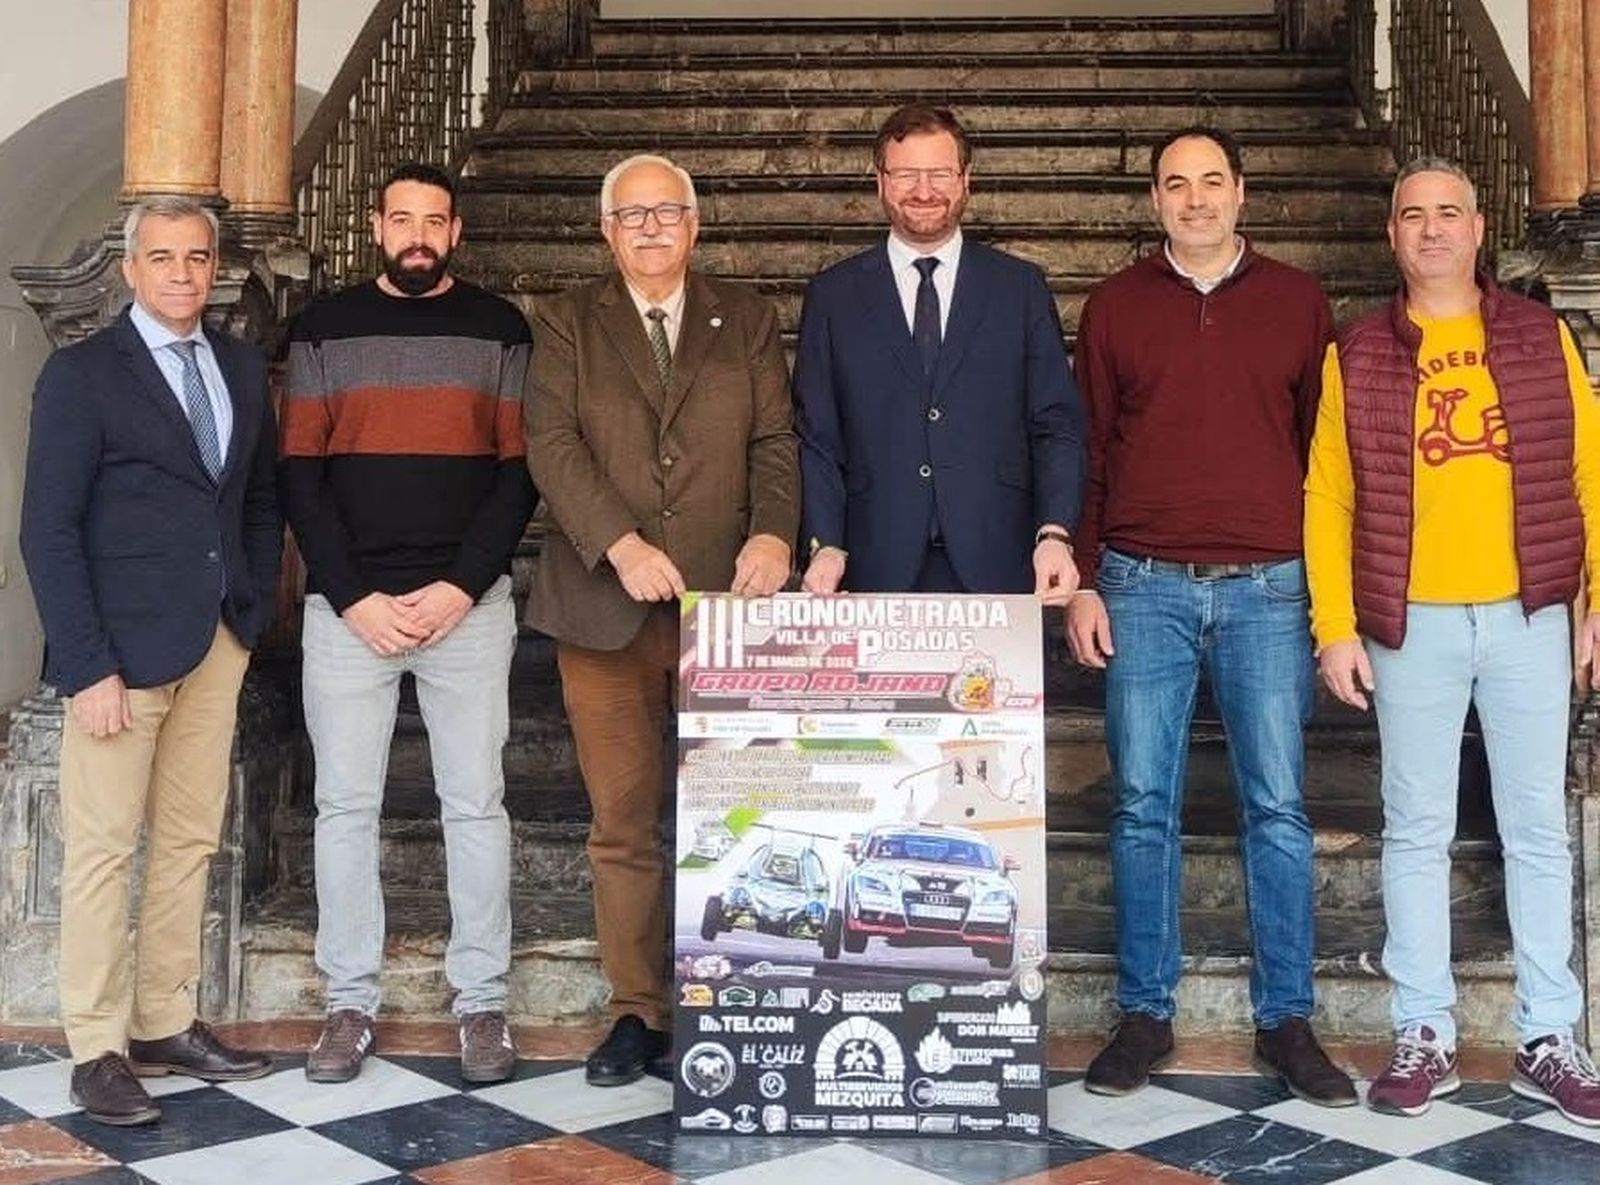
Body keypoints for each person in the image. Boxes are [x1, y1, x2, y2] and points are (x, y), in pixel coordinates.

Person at [1306, 157, 1600, 1125]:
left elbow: (1588, 471)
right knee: (1418, 829)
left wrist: (1594, 602)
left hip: (1529, 615)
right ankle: (1422, 1031)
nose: (1431, 230)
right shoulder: (1358, 352)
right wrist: (1335, 625)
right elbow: (1329, 496)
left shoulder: (1537, 336)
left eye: (1449, 214)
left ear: (1479, 230)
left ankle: (1548, 1036)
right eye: (1412, 215)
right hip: (1412, 621)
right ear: (1391, 235)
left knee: (1536, 829)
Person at [1067, 126, 1355, 1106]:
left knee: (1275, 806)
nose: (1194, 200)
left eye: (1211, 182)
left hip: (1269, 587)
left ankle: (1287, 1019)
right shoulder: (1114, 307)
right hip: (1141, 583)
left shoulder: (1298, 303)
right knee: (1141, 803)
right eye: (1175, 184)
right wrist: (1090, 581)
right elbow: (1090, 454)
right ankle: (1145, 1014)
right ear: (1155, 199)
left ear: (1241, 191)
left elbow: (1330, 463)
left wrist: (1329, 600)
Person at [524, 153, 799, 1086]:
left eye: (667, 211)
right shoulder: (567, 320)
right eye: (631, 215)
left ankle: (734, 996)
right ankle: (638, 1009)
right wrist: (623, 545)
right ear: (606, 232)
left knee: (738, 818)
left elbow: (773, 440)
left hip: (730, 612)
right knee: (624, 821)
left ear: (695, 226)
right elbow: (551, 444)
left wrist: (773, 533)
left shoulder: (748, 317)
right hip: (605, 609)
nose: (649, 227)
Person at [19, 197, 281, 1125]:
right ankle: (96, 1044)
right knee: (100, 851)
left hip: (215, 643)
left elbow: (255, 498)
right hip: (119, 658)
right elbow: (46, 530)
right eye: (162, 257)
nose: (181, 272)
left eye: (197, 257)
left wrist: (249, 614)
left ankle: (166, 1019)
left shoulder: (242, 368)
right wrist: (85, 664)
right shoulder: (83, 374)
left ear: (216, 270)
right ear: (131, 270)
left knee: (188, 841)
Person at [280, 162, 535, 1085]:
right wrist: (350, 595)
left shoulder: (501, 328)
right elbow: (300, 475)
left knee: (475, 803)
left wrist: (462, 586)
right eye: (402, 219)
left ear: (456, 232)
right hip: (349, 614)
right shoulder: (321, 330)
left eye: (435, 221)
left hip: (466, 609)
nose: (419, 235)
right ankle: (349, 1001)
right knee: (345, 807)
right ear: (377, 226)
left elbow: (520, 471)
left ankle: (483, 1006)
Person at [793, 104, 1083, 597]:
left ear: (966, 179)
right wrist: (824, 543)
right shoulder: (833, 295)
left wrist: (1054, 532)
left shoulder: (1020, 288)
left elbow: (1055, 423)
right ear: (879, 181)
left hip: (1002, 561)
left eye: (939, 173)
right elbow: (816, 435)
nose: (923, 191)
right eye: (906, 174)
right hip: (869, 563)